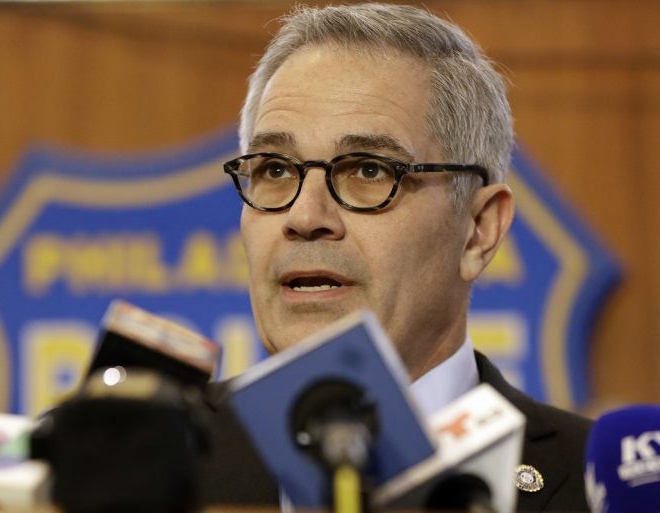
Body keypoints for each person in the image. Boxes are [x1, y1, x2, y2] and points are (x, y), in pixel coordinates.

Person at [201, 4, 591, 511]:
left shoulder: (597, 489)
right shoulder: (140, 469)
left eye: (368, 171)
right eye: (274, 169)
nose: (304, 216)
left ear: (478, 232)